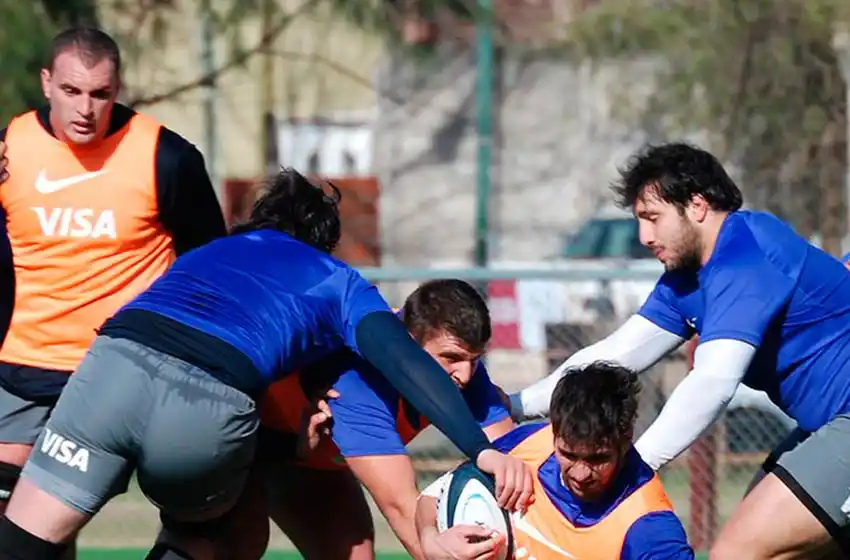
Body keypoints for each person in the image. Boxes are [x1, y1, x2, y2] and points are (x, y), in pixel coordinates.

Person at [0, 168, 532, 560]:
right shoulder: (335, 278)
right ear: (324, 242)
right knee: (207, 538)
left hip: (111, 366)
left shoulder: (207, 255)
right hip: (206, 395)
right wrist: (479, 451)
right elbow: (403, 358)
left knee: (26, 537)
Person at [506, 142, 850, 559]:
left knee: (738, 553)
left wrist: (634, 469)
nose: (643, 236)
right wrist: (513, 405)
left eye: (652, 218)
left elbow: (713, 381)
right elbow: (617, 354)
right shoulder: (687, 279)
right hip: (828, 426)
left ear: (698, 205)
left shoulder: (748, 253)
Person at [0, 25, 225, 558]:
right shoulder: (10, 148)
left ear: (117, 88)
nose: (86, 108)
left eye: (101, 94)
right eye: (72, 91)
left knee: (202, 522)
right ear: (47, 82)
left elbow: (212, 267)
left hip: (118, 376)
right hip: (21, 370)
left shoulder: (165, 157)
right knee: (19, 533)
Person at [226, 279, 516, 560]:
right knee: (243, 541)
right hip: (242, 447)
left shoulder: (460, 363)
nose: (465, 375)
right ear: (409, 345)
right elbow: (402, 508)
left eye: (475, 360)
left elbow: (511, 456)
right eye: (451, 358)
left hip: (315, 460)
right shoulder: (356, 385)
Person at [417, 361, 694, 560]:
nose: (581, 473)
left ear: (626, 438)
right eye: (569, 454)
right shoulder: (525, 446)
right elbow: (431, 498)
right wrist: (432, 543)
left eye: (598, 458)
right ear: (555, 431)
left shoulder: (649, 529)